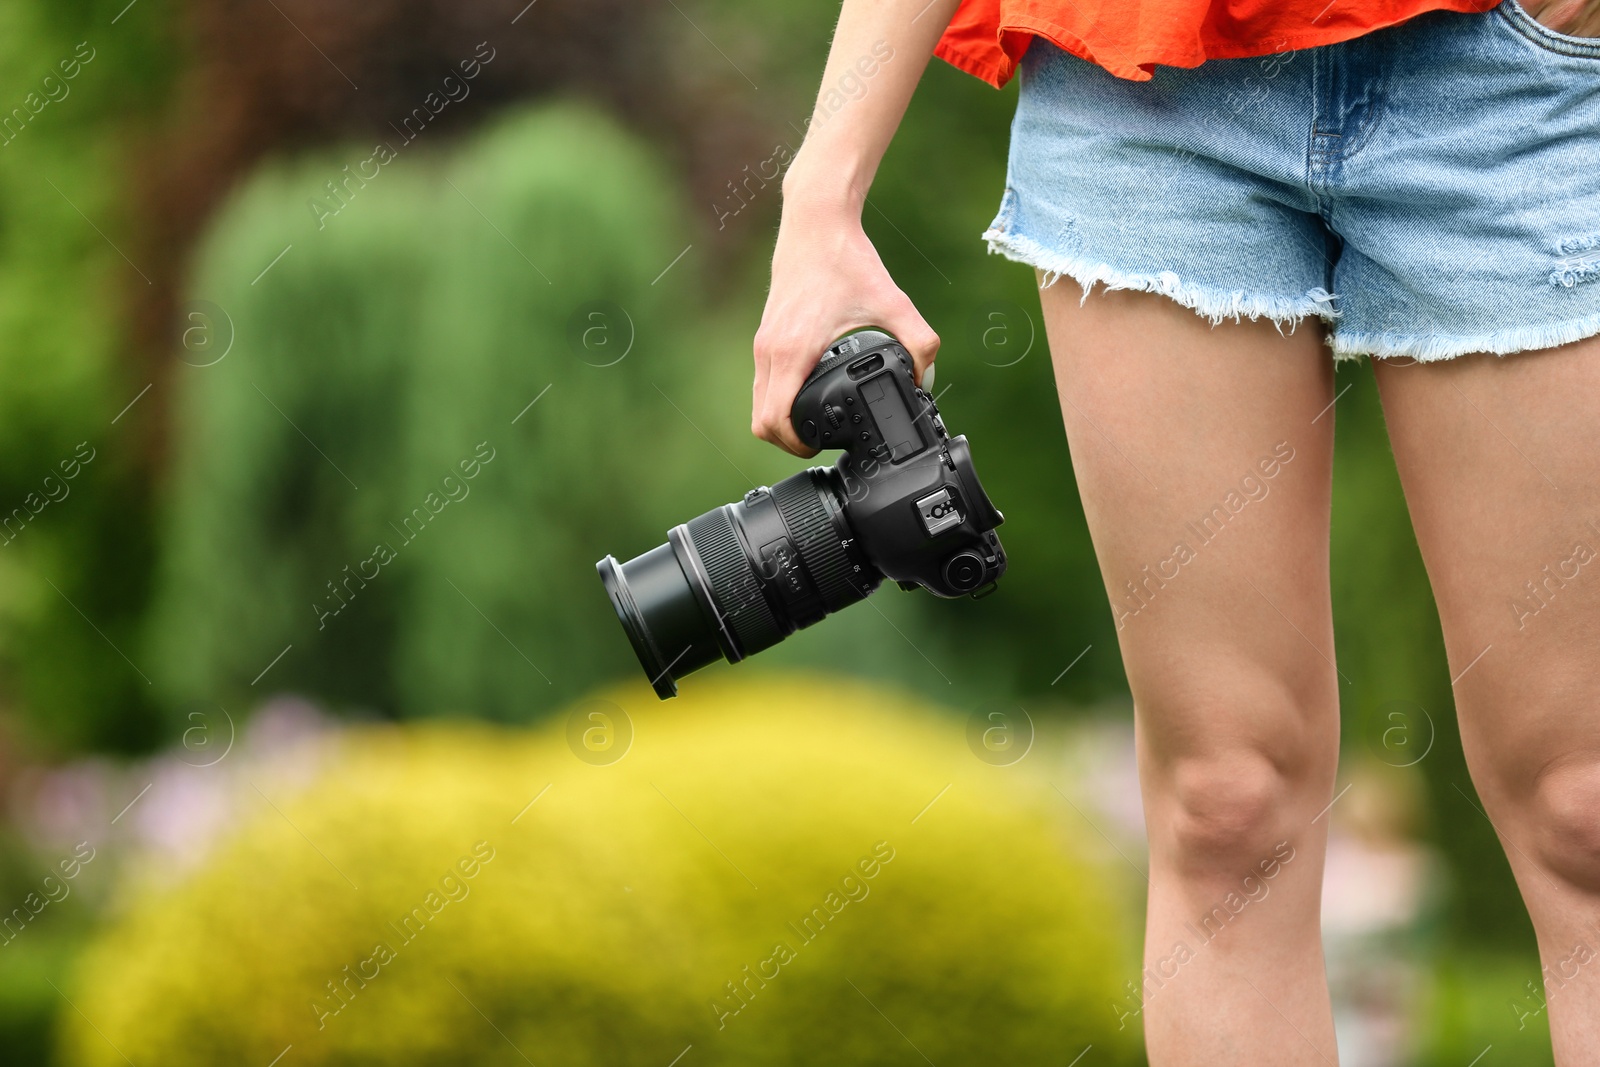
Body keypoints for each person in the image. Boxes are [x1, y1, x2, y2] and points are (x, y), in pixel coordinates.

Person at [751, 0, 1600, 1062]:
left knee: (1586, 809)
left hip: (1511, 84)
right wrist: (819, 194)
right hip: (1144, 95)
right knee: (1224, 802)